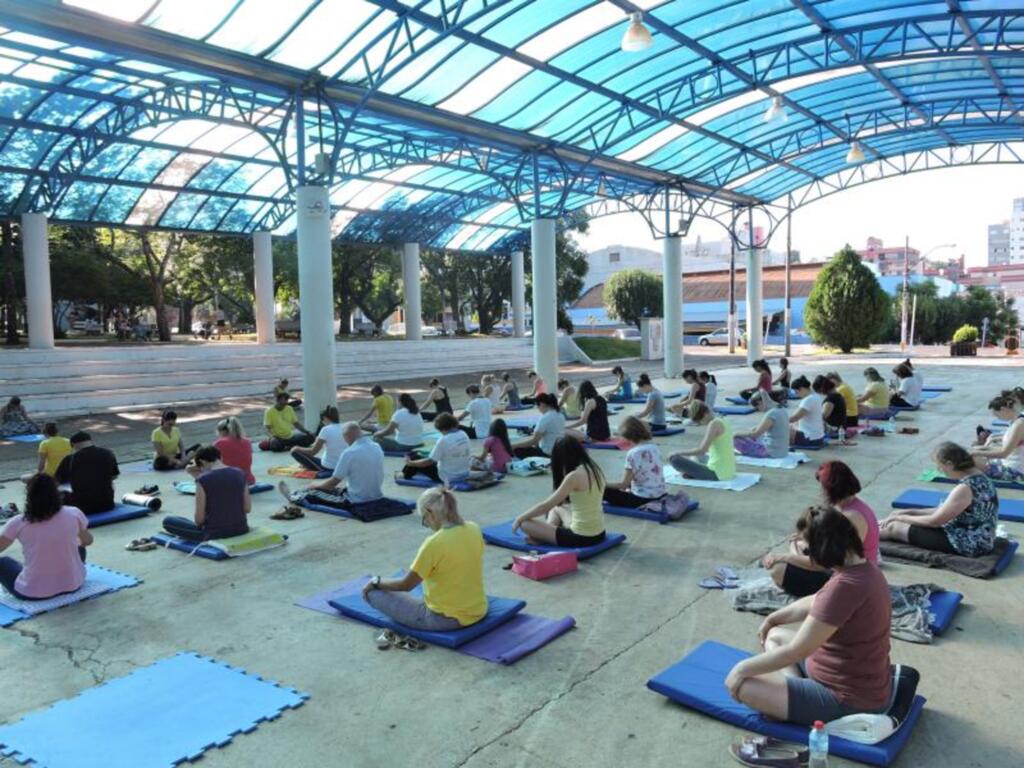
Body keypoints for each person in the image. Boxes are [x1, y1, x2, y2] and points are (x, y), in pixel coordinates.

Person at [725, 507, 892, 726]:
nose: (808, 556)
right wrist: (773, 618)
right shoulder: (864, 569)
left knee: (743, 686)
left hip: (847, 699)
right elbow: (816, 600)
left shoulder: (845, 587)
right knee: (774, 635)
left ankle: (795, 702)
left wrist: (740, 669)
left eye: (809, 550)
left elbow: (797, 651)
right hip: (848, 678)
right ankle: (796, 692)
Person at [361, 487, 486, 632]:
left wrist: (375, 581)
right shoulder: (474, 528)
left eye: (424, 519)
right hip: (478, 610)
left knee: (373, 593)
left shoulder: (434, 543)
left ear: (430, 513)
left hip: (445, 619)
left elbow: (406, 585)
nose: (427, 524)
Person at [764, 461, 880, 597]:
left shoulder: (850, 517)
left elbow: (827, 562)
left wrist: (785, 557)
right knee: (799, 544)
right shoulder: (852, 507)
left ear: (831, 489)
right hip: (850, 570)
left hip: (850, 580)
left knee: (777, 568)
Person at [880, 441, 997, 557]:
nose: (939, 470)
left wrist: (900, 517)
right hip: (980, 538)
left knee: (893, 527)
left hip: (969, 544)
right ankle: (871, 527)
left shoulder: (965, 488)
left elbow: (934, 522)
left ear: (950, 464)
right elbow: (943, 510)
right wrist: (909, 512)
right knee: (896, 521)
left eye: (940, 466)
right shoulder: (980, 477)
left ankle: (867, 537)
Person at [0, 474, 92, 600]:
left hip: (32, 592)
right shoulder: (74, 513)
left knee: (3, 562)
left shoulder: (18, 522)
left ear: (29, 496)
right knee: (79, 545)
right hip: (73, 584)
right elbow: (88, 541)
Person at [513, 437, 607, 547]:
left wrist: (519, 519)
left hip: (580, 537)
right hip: (599, 533)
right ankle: (544, 535)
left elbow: (544, 507)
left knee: (525, 524)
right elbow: (557, 504)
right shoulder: (594, 468)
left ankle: (542, 537)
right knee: (557, 508)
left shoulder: (574, 476)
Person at [283, 422, 384, 506]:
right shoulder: (376, 446)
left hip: (356, 499)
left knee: (313, 492)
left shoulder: (349, 452)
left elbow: (332, 483)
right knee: (334, 489)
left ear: (347, 437)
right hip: (376, 495)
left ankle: (294, 497)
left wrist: (314, 485)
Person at [162, 446, 250, 542]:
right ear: (220, 457)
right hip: (241, 528)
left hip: (214, 533)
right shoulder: (240, 473)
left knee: (168, 521)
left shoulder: (203, 480)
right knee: (181, 520)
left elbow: (199, 519)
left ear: (202, 462)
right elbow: (247, 508)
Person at [602, 417, 666, 508]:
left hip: (642, 499)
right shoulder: (654, 447)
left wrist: (602, 483)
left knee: (602, 490)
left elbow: (623, 485)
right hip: (660, 495)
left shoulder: (633, 453)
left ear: (628, 436)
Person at [54, 432, 119, 516]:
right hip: (107, 504)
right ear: (90, 441)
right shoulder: (108, 453)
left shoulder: (70, 459)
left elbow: (56, 482)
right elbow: (114, 476)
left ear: (73, 445)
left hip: (82, 507)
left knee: (61, 493)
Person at [668, 402, 736, 481]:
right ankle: (691, 473)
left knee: (674, 459)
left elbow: (702, 450)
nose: (701, 424)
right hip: (729, 470)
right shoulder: (722, 420)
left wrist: (677, 452)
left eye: (700, 421)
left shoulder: (714, 424)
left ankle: (691, 473)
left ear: (705, 414)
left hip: (717, 473)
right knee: (695, 456)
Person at [402, 413, 472, 486]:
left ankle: (405, 474)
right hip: (464, 473)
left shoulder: (443, 440)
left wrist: (410, 463)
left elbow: (429, 462)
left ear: (442, 428)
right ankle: (407, 471)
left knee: (414, 457)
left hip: (447, 477)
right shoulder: (463, 434)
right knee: (417, 455)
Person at [970, 394, 1024, 482]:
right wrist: (982, 448)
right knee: (974, 455)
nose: (998, 418)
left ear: (1003, 409)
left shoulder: (1019, 425)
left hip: (1015, 472)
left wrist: (977, 452)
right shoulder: (1015, 422)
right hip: (1009, 464)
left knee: (971, 463)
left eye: (997, 415)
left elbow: (1004, 453)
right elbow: (1006, 449)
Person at [733, 391, 789, 459]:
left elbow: (755, 434)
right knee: (753, 431)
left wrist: (736, 434)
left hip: (772, 451)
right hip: (782, 450)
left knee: (736, 439)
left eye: (757, 407)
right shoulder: (781, 409)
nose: (758, 410)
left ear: (760, 402)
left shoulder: (772, 414)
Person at [292, 406, 345, 472]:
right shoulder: (346, 427)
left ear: (325, 418)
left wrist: (297, 448)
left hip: (329, 466)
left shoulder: (325, 430)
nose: (322, 422)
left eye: (322, 420)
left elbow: (313, 451)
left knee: (294, 451)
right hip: (345, 465)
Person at [512, 394, 566, 459]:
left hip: (548, 453)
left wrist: (515, 445)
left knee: (517, 449)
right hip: (559, 452)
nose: (538, 409)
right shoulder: (560, 415)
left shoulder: (545, 418)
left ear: (542, 404)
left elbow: (534, 441)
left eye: (538, 406)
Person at [214, 417, 255, 485]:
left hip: (229, 482)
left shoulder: (219, 443)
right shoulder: (247, 442)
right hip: (248, 480)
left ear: (222, 431)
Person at [789, 376, 825, 447]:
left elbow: (795, 417)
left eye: (796, 392)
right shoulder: (816, 396)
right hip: (818, 437)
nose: (796, 395)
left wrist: (780, 421)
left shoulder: (808, 400)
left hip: (809, 438)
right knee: (791, 426)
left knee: (782, 429)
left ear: (802, 389)